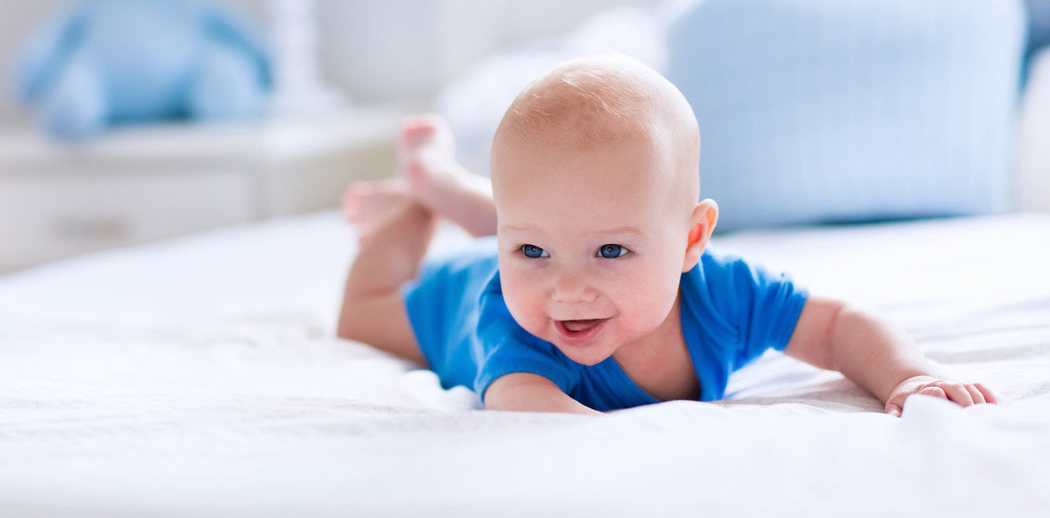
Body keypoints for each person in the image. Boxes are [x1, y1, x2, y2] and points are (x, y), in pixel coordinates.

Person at [336, 55, 997, 415]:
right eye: (530, 250)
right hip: (453, 294)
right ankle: (418, 204)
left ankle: (444, 185)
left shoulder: (724, 294)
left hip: (519, 242)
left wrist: (906, 375)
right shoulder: (508, 316)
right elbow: (523, 402)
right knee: (360, 314)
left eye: (613, 251)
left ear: (690, 240)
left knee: (557, 222)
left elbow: (837, 325)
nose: (568, 291)